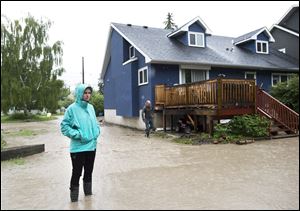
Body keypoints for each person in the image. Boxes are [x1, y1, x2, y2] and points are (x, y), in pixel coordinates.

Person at [60, 84, 100, 202]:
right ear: (79, 94)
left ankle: (88, 199)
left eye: (89, 93)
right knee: (76, 173)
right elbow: (64, 127)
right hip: (78, 148)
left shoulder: (91, 108)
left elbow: (95, 123)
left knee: (89, 172)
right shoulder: (71, 109)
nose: (87, 95)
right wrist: (79, 135)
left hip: (92, 146)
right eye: (85, 93)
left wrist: (97, 131)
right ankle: (74, 201)